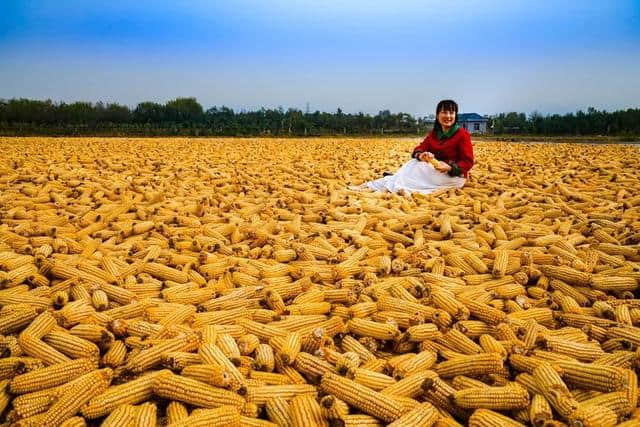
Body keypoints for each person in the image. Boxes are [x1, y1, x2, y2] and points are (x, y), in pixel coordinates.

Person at [354, 99, 474, 195]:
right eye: (444, 112)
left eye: (451, 113)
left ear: (455, 115)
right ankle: (373, 185)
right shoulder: (434, 133)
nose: (448, 116)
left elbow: (468, 162)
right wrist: (421, 155)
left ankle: (381, 186)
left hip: (453, 177)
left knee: (417, 169)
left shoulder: (462, 134)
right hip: (436, 172)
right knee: (413, 163)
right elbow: (420, 148)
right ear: (437, 115)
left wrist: (449, 167)